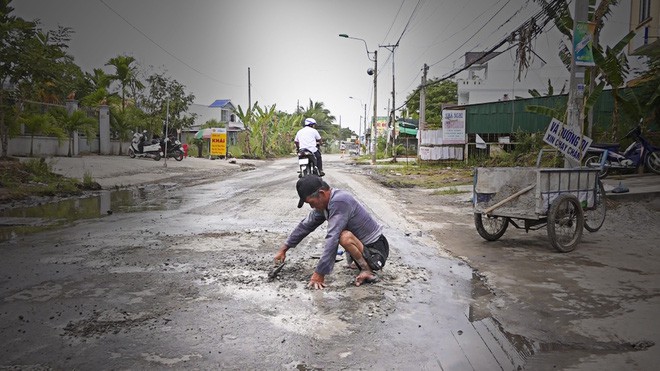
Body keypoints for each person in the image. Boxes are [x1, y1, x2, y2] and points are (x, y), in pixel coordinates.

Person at [274, 175, 389, 289]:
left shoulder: (340, 201)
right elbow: (305, 225)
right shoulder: (325, 204)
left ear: (322, 193)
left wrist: (319, 273)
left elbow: (332, 237)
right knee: (342, 235)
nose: (312, 207)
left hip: (376, 251)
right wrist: (284, 248)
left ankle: (367, 270)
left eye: (311, 202)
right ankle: (361, 263)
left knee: (344, 236)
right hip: (364, 249)